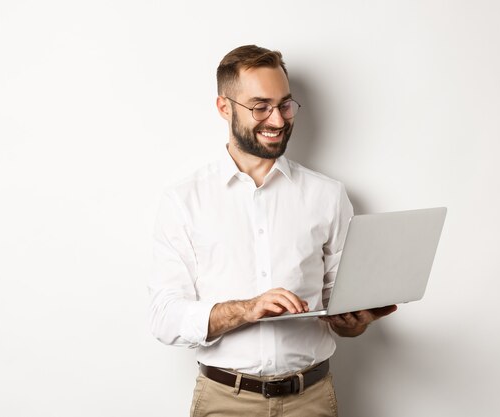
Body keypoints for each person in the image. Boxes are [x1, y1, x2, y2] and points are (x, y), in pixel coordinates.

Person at [148, 45, 397, 417]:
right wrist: (246, 309)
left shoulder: (327, 195)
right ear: (224, 108)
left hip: (311, 400)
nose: (278, 121)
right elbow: (165, 317)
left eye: (285, 105)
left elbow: (337, 300)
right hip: (224, 402)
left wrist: (352, 322)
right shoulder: (185, 200)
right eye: (260, 107)